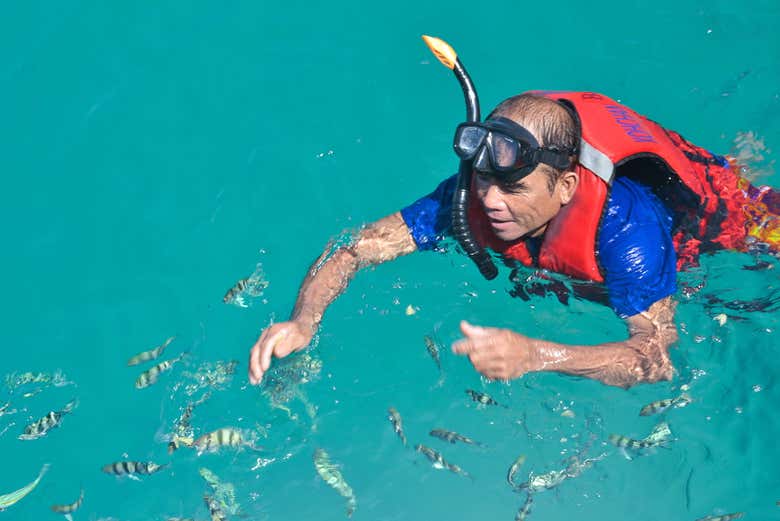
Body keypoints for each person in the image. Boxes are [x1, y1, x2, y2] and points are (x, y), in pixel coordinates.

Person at [247, 91, 779, 389]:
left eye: (514, 188)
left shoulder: (627, 236)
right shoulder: (468, 197)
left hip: (709, 218)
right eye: (483, 180)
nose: (491, 201)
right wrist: (304, 318)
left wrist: (536, 354)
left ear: (566, 186)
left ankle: (745, 158)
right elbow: (354, 250)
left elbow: (656, 358)